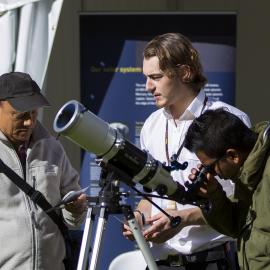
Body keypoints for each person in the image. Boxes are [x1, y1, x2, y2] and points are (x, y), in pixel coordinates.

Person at [122, 33, 251, 269]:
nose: (148, 86)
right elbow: (149, 195)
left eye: (156, 77)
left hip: (210, 260)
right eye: (146, 78)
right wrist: (139, 219)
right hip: (159, 262)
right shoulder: (151, 124)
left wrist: (183, 219)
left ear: (185, 73)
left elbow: (242, 204)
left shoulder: (228, 120)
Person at [0, 72, 87, 270]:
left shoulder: (53, 149)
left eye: (33, 113)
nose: (29, 122)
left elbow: (74, 218)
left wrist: (76, 210)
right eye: (20, 115)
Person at [184, 108, 270, 270]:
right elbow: (237, 225)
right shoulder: (249, 174)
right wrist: (213, 195)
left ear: (232, 156)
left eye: (210, 167)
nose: (212, 174)